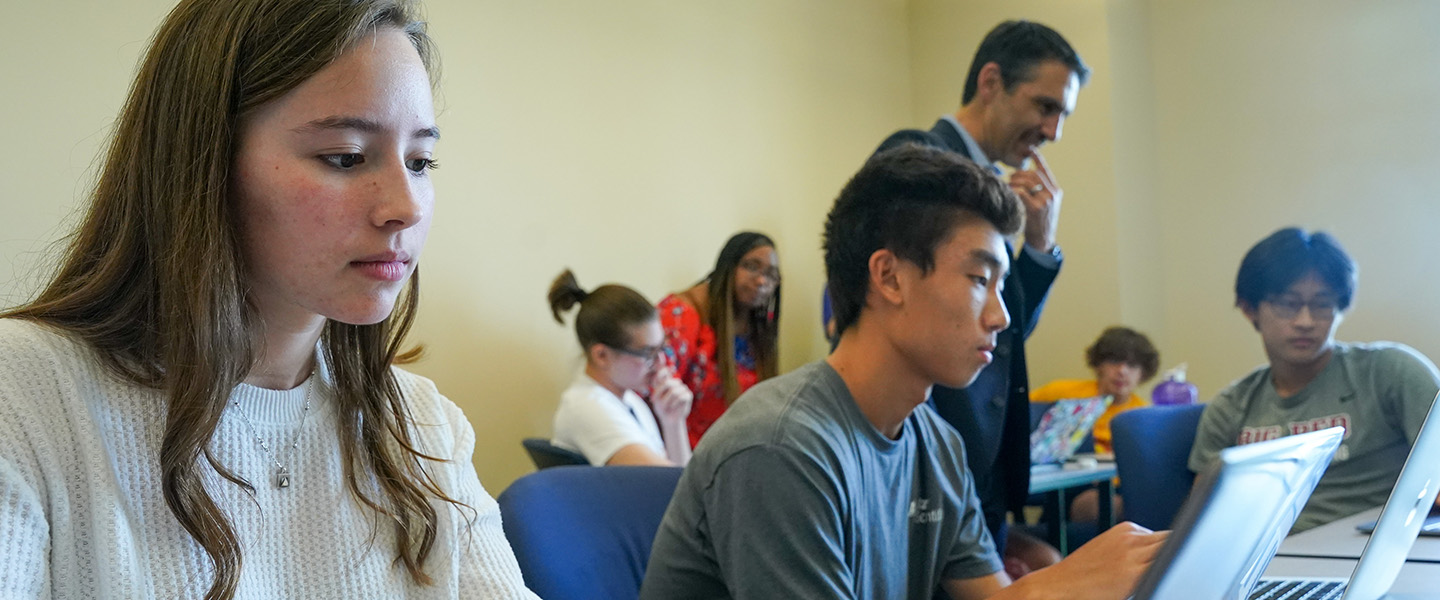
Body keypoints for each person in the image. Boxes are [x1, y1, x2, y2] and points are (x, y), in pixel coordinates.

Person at [0, 1, 536, 598]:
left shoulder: (424, 428)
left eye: (420, 161)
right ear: (201, 163)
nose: (406, 206)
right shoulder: (24, 395)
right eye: (347, 157)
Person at [641, 144, 1166, 600]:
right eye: (981, 278)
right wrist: (1055, 586)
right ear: (889, 277)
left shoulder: (938, 446)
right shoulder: (778, 448)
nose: (1001, 317)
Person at [870, 20, 1092, 554]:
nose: (1054, 130)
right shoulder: (918, 158)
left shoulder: (989, 182)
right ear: (990, 82)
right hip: (924, 463)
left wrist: (1038, 246)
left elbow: (1003, 329)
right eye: (1045, 106)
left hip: (975, 472)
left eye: (1062, 114)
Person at [1188, 228, 1440, 533]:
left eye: (1322, 304)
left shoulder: (1390, 372)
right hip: (1270, 560)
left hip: (1369, 548)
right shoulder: (1231, 406)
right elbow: (1203, 519)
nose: (1305, 321)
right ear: (1249, 308)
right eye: (1287, 304)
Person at [546, 270, 693, 466]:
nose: (660, 363)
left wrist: (673, 422)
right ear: (602, 356)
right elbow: (670, 487)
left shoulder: (630, 401)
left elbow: (679, 487)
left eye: (661, 349)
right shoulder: (586, 407)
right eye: (647, 353)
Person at [658, 231, 781, 447]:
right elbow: (656, 393)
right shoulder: (681, 314)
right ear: (727, 267)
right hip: (681, 453)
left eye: (771, 275)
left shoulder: (757, 322)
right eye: (751, 266)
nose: (762, 280)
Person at [1031, 326, 1160, 523]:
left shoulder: (1144, 414)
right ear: (1099, 364)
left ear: (1143, 374)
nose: (1122, 371)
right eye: (1115, 361)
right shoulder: (1062, 393)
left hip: (1123, 488)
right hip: (1072, 488)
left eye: (1132, 365)